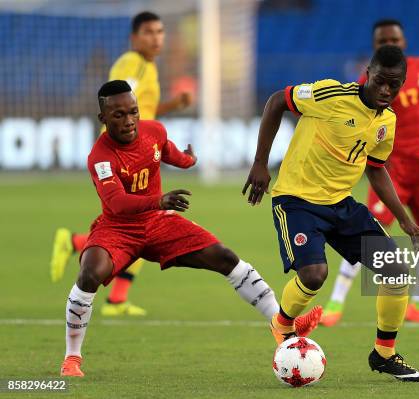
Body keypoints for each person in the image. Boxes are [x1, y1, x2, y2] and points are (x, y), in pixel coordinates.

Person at [60, 81, 321, 377]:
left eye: (133, 112)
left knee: (225, 258)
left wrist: (189, 159)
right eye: (118, 115)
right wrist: (158, 200)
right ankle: (72, 358)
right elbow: (117, 202)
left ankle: (280, 324)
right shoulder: (100, 156)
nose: (129, 120)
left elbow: (169, 153)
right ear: (103, 119)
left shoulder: (153, 131)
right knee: (90, 273)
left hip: (159, 223)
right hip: (118, 228)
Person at [243, 46, 419, 382]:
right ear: (367, 73)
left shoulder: (387, 121)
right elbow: (275, 102)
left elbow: (376, 169)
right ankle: (282, 324)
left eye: (395, 85)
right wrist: (259, 164)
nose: (387, 90)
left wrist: (404, 218)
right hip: (296, 200)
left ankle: (384, 354)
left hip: (341, 204)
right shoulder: (330, 94)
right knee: (314, 275)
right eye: (381, 81)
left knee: (396, 271)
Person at [50, 12, 193, 316]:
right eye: (149, 32)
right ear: (134, 38)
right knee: (140, 223)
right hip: (122, 155)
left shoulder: (149, 67)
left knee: (142, 224)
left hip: (137, 149)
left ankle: (116, 298)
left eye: (160, 31)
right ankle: (78, 244)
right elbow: (121, 107)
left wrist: (173, 105)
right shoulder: (132, 63)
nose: (156, 38)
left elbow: (144, 110)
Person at [322, 19, 419, 326]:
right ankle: (335, 303)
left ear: (404, 41)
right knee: (370, 233)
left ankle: (418, 303)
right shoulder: (369, 79)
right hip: (389, 167)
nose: (388, 43)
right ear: (374, 46)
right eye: (381, 41)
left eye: (394, 38)